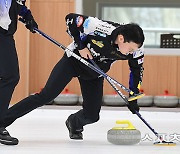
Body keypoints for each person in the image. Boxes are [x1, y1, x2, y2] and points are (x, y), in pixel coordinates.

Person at [0, 13, 144, 144]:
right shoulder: (99, 27)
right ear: (121, 38)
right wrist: (81, 46)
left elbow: (136, 72)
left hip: (95, 72)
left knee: (92, 115)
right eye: (130, 49)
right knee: (45, 96)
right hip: (73, 61)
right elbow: (70, 19)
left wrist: (133, 98)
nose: (131, 53)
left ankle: (74, 123)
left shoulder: (136, 51)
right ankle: (2, 121)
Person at [0, 0, 38, 145]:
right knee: (10, 76)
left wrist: (26, 14)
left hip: (5, 35)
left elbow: (16, 4)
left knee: (11, 76)